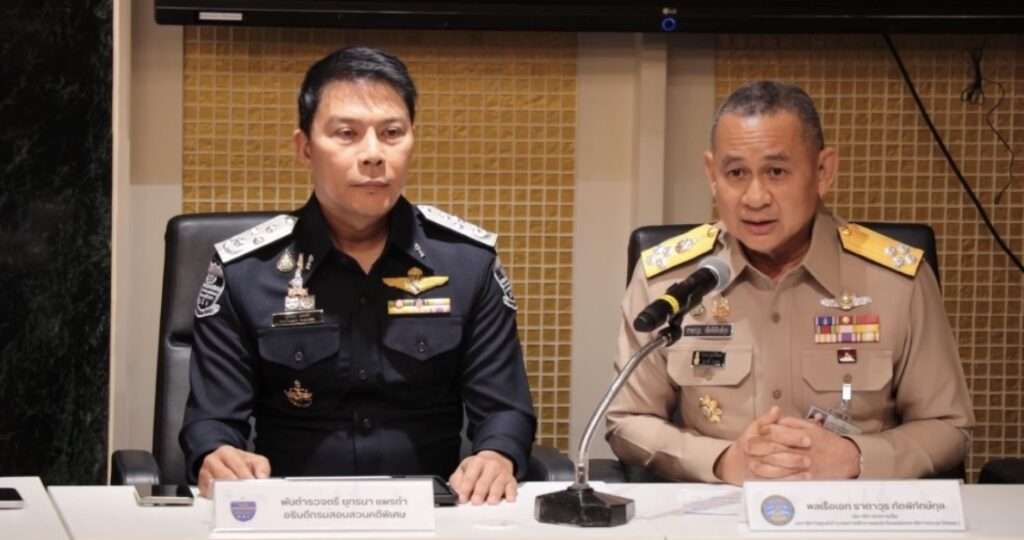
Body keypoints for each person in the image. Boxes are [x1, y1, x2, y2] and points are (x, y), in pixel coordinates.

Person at [180, 47, 536, 504]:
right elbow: (212, 420)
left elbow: (505, 410)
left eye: (392, 133)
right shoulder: (245, 272)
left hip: (432, 516)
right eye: (346, 134)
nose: (373, 154)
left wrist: (496, 455)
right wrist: (218, 454)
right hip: (292, 517)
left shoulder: (467, 264)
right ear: (305, 148)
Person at [606, 80, 974, 485]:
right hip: (719, 507)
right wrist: (721, 460)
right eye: (736, 173)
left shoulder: (895, 281)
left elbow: (947, 426)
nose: (755, 197)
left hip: (852, 509)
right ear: (712, 175)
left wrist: (855, 458)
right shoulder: (671, 282)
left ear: (822, 172)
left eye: (776, 172)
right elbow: (627, 418)